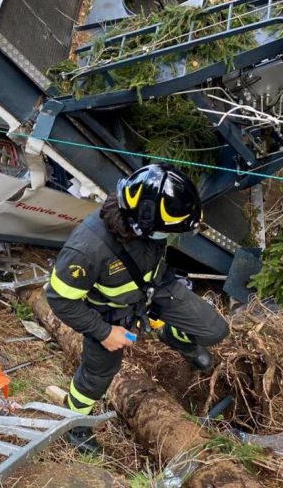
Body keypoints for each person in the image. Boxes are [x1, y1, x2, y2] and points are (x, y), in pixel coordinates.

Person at [46, 163, 229, 453]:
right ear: (140, 223)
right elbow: (59, 299)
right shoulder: (86, 250)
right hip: (108, 313)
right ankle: (74, 423)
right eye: (163, 232)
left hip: (155, 289)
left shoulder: (149, 223)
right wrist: (104, 332)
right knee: (97, 377)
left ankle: (172, 335)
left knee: (215, 329)